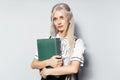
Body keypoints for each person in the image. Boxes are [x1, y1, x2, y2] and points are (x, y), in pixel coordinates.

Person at [31, 3, 85, 80]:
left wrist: (48, 71)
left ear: (69, 19)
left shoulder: (77, 42)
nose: (58, 22)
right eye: (55, 19)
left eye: (61, 18)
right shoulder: (48, 39)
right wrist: (49, 62)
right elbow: (33, 64)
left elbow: (74, 68)